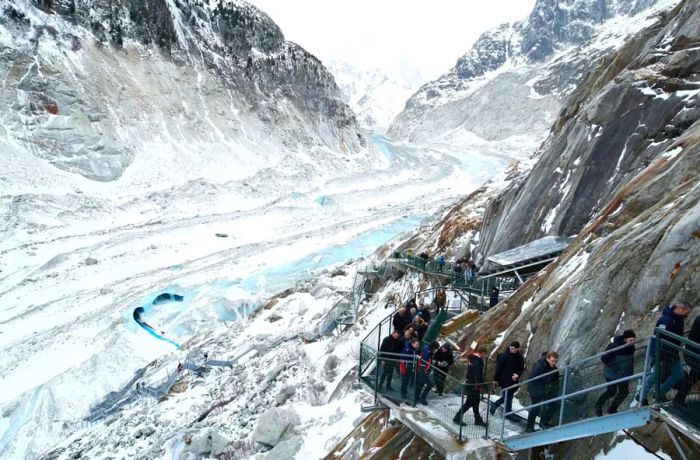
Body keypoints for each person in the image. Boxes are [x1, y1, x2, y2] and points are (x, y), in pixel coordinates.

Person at [639, 301, 693, 404]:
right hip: (661, 353)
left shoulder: (678, 319)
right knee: (656, 375)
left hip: (672, 353)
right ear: (680, 309)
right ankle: (641, 397)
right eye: (687, 311)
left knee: (678, 374)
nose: (687, 314)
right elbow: (657, 338)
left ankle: (659, 394)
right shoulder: (666, 320)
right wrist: (657, 356)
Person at [595, 330, 636, 416]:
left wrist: (630, 373)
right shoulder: (615, 346)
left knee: (624, 392)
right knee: (611, 391)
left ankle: (612, 409)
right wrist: (615, 366)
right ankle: (598, 405)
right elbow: (604, 358)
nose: (632, 342)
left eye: (633, 340)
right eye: (630, 340)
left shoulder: (631, 348)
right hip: (611, 372)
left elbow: (630, 362)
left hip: (623, 373)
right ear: (625, 339)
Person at [453, 345, 488, 427]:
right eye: (484, 354)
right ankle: (457, 417)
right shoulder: (477, 361)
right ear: (482, 353)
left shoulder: (473, 359)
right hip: (473, 386)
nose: (484, 356)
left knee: (476, 401)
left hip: (471, 384)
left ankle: (477, 419)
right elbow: (478, 375)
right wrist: (484, 385)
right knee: (470, 402)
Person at [526, 351, 560, 431]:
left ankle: (543, 422)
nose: (554, 363)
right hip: (536, 389)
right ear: (547, 359)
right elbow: (533, 380)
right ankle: (529, 427)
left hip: (546, 390)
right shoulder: (539, 366)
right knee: (536, 407)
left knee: (553, 405)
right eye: (552, 361)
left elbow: (555, 381)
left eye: (556, 361)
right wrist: (540, 391)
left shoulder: (554, 369)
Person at [490, 341, 525, 417]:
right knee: (508, 396)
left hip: (513, 380)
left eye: (513, 348)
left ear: (517, 349)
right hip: (504, 379)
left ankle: (507, 411)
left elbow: (521, 368)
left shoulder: (519, 357)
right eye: (510, 347)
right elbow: (499, 368)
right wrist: (495, 379)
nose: (511, 349)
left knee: (509, 396)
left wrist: (517, 375)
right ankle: (498, 406)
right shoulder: (505, 355)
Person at [673, 313, 700, 405]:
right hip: (692, 354)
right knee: (695, 373)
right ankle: (679, 399)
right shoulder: (699, 319)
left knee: (694, 375)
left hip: (695, 354)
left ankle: (679, 398)